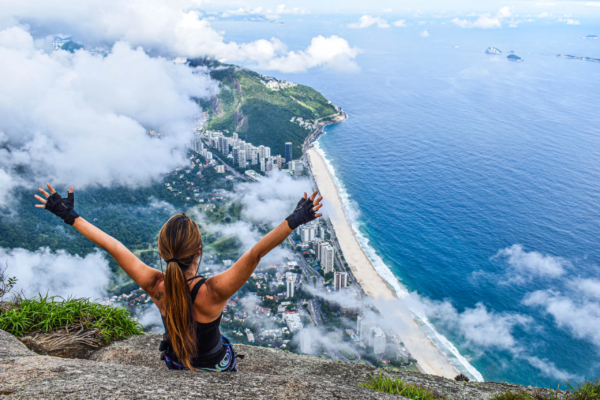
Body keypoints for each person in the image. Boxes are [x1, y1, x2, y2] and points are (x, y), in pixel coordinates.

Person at [34, 183, 323, 372]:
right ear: (199, 250)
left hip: (176, 364)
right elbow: (255, 254)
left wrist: (69, 215)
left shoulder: (156, 286)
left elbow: (113, 246)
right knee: (222, 346)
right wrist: (295, 220)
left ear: (162, 251)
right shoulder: (213, 291)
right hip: (215, 365)